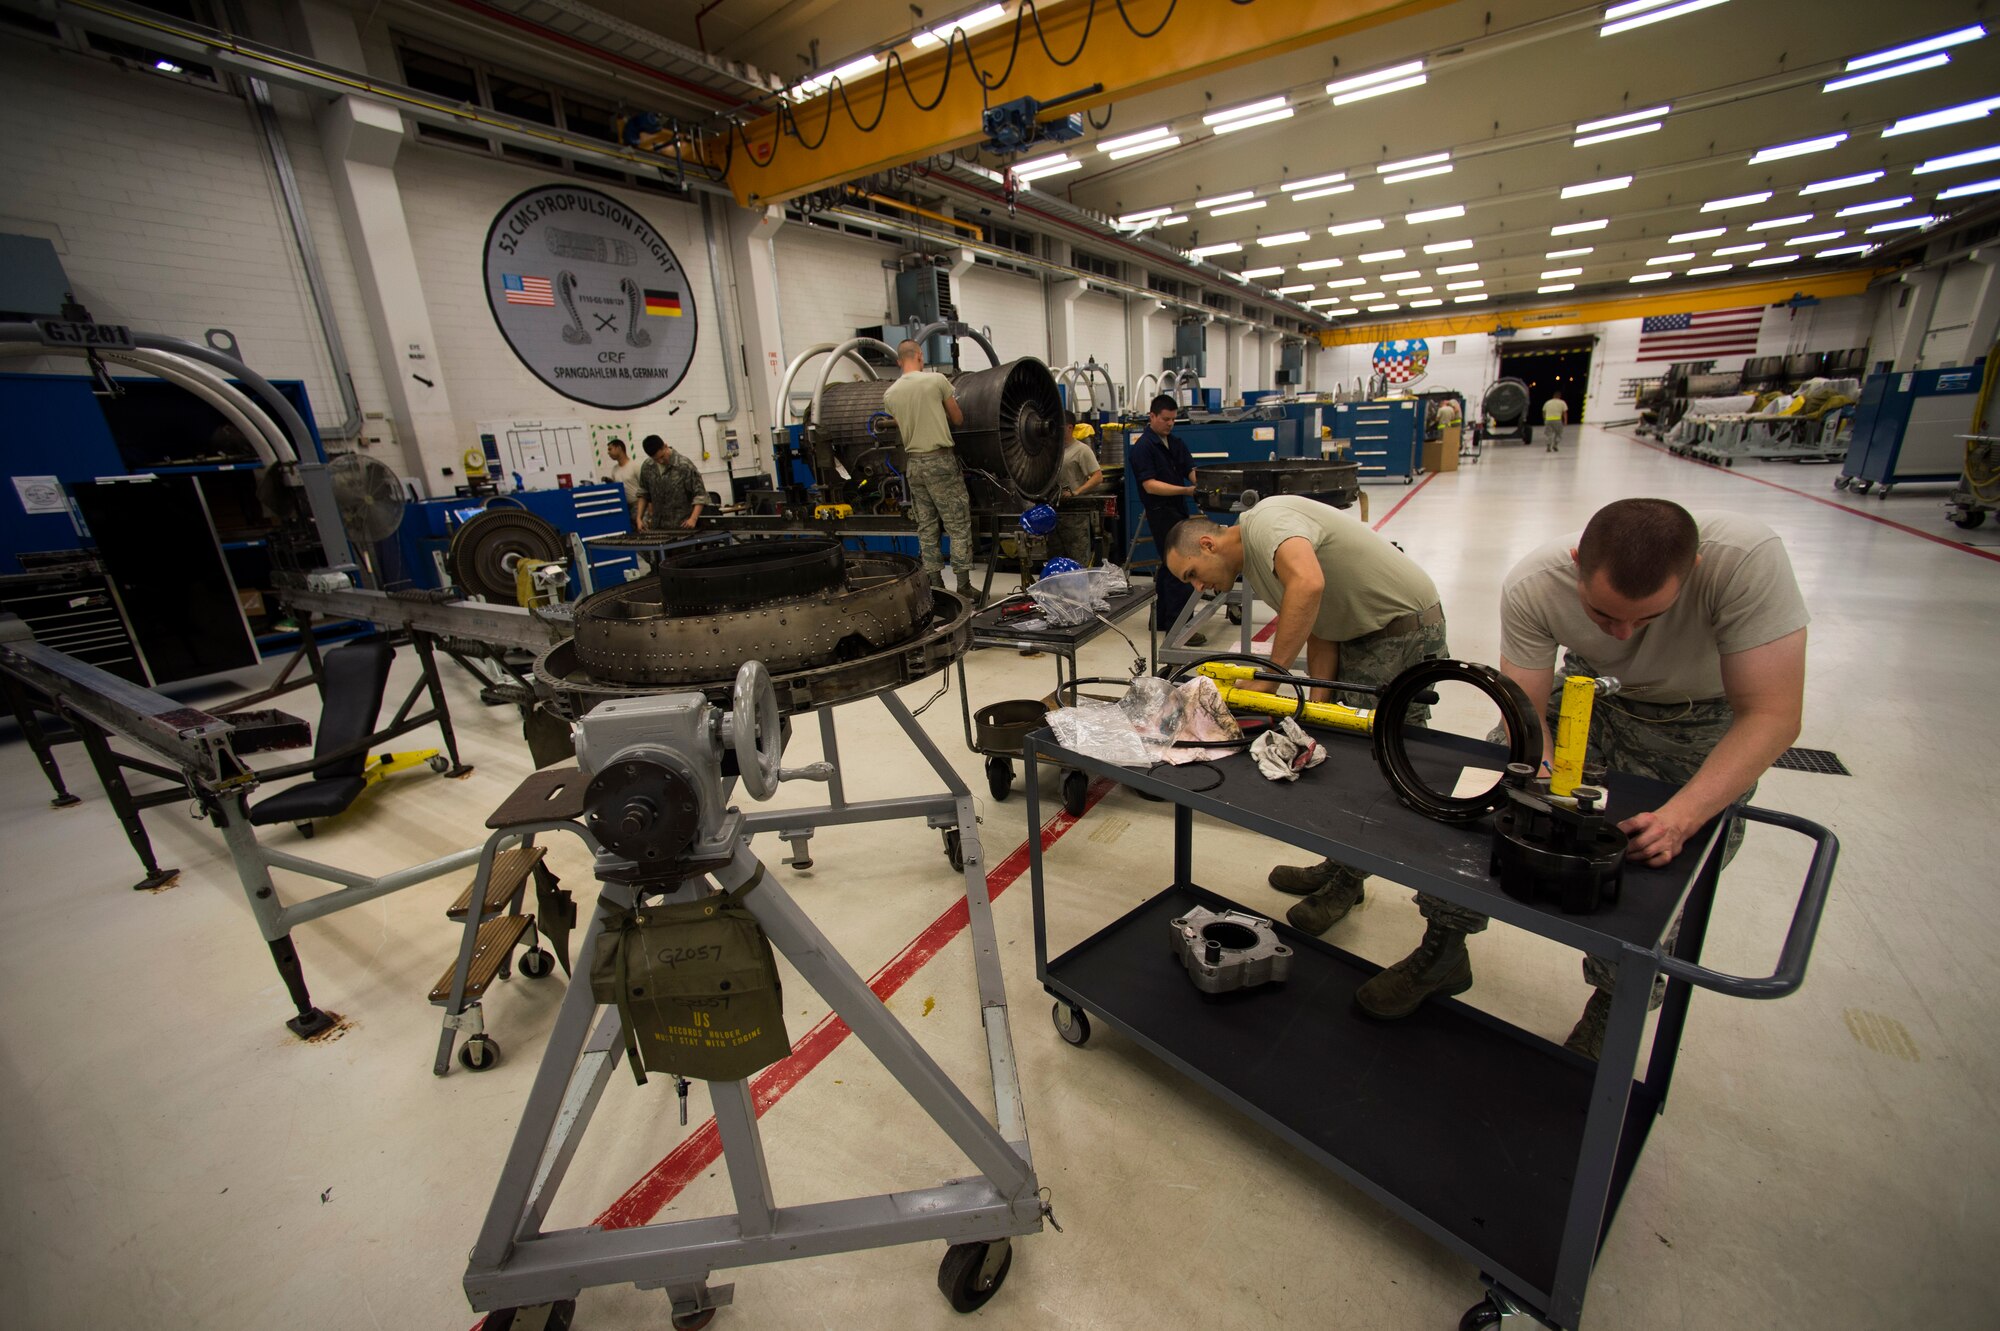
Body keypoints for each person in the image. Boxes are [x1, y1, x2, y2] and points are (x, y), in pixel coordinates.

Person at [1354, 499, 1809, 1059]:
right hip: (1585, 699)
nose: (1623, 634)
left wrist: (1680, 818)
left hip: (1699, 717)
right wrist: (1539, 781)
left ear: (1693, 570)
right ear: (1576, 564)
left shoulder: (1745, 561)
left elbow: (1772, 713)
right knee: (1485, 806)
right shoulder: (1536, 583)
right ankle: (1443, 947)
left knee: (1658, 870)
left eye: (1646, 619)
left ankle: (1613, 1004)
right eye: (1602, 615)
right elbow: (1525, 713)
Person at [1165, 497, 1446, 935]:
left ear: (1207, 545)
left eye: (1192, 575)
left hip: (1398, 635)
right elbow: (1320, 627)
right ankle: (1341, 864)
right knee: (1347, 756)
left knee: (1379, 770)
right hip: (1361, 637)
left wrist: (1268, 680)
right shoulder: (1261, 564)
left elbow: (1310, 586)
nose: (1198, 588)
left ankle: (1348, 883)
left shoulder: (1267, 523)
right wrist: (1318, 710)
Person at [882, 339, 980, 605]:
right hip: (940, 462)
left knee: (926, 527)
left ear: (900, 361)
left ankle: (935, 587)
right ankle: (964, 587)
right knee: (957, 524)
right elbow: (957, 418)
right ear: (920, 356)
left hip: (913, 465)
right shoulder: (936, 381)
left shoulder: (890, 394)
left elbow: (904, 425)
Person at [1131, 394, 1204, 645]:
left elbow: (1189, 470)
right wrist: (1186, 491)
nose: (1170, 423)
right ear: (1152, 416)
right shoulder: (1143, 447)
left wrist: (1202, 483)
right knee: (1180, 565)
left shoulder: (1175, 443)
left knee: (1168, 564)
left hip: (1178, 509)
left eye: (1173, 419)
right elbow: (1150, 485)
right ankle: (1179, 626)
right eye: (1165, 419)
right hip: (1161, 512)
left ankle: (1162, 619)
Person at [1047, 419, 1105, 567]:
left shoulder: (1082, 450)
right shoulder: (1052, 450)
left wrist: (1077, 491)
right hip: (1054, 510)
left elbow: (1098, 477)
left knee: (1077, 557)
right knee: (1055, 559)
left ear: (1069, 427)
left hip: (1075, 513)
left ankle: (1080, 588)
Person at [636, 433, 706, 531]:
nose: (660, 461)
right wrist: (639, 518)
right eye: (656, 459)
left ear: (665, 446)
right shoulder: (648, 466)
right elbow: (643, 493)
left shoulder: (684, 466)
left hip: (682, 527)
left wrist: (693, 519)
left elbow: (700, 495)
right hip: (658, 528)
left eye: (662, 456)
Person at [602, 437, 642, 524]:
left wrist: (650, 510)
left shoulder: (635, 466)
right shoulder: (614, 469)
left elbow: (646, 488)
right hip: (624, 507)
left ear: (619, 448)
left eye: (610, 449)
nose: (608, 452)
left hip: (638, 506)